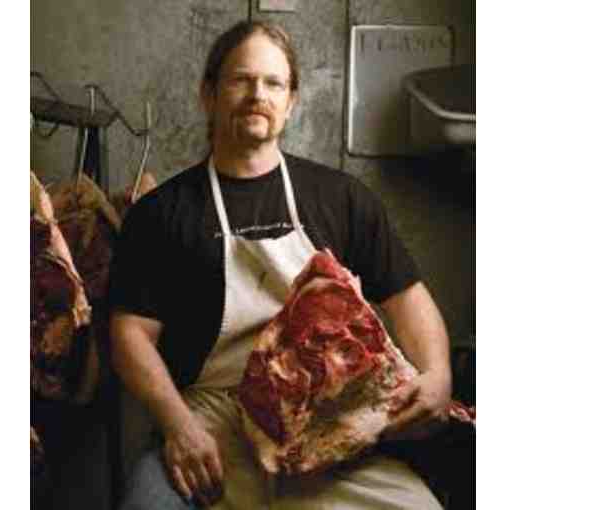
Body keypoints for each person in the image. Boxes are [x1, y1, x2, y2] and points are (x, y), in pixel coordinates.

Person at [109, 20, 452, 510]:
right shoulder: (161, 213)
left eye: (273, 83)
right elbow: (130, 334)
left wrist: (437, 373)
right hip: (213, 420)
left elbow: (407, 295)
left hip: (327, 415)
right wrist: (178, 426)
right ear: (208, 94)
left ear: (291, 102)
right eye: (241, 80)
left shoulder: (342, 198)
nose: (258, 95)